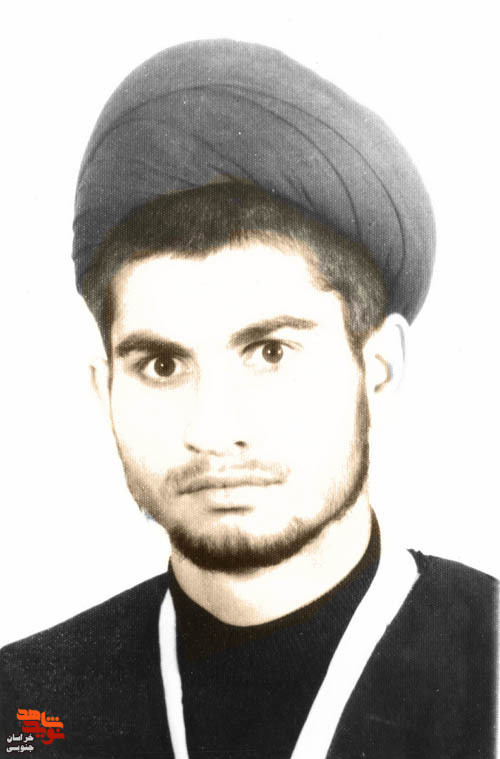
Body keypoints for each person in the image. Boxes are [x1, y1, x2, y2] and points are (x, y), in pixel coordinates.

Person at [0, 40, 496, 759]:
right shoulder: (24, 702)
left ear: (379, 371)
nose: (212, 427)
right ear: (105, 390)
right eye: (162, 364)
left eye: (269, 352)